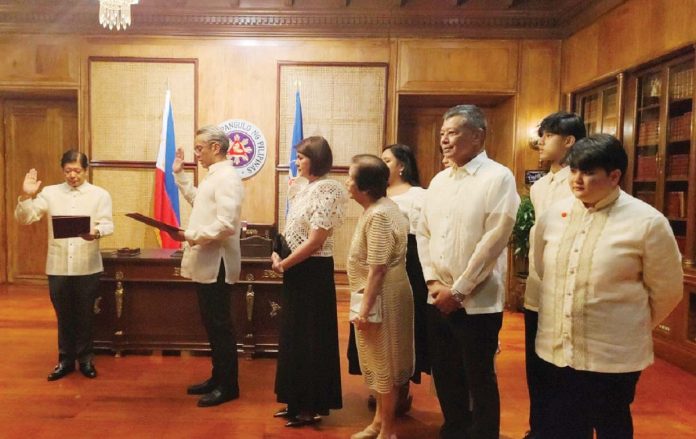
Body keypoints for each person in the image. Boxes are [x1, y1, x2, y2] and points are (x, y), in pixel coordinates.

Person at [533, 134, 683, 439]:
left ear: (614, 176)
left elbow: (667, 290)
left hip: (612, 355)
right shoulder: (553, 216)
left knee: (611, 424)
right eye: (574, 170)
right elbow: (542, 269)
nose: (577, 180)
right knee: (564, 426)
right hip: (557, 349)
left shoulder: (646, 222)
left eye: (588, 172)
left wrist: (630, 325)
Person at [416, 104, 520, 439]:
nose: (444, 140)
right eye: (442, 134)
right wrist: (433, 281)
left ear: (477, 136)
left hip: (476, 303)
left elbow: (495, 239)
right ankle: (454, 429)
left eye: (453, 133)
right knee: (445, 375)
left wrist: (458, 290)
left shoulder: (498, 177)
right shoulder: (439, 180)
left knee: (479, 377)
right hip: (438, 297)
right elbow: (423, 233)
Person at [15, 149, 113, 381]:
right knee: (63, 315)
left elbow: (108, 224)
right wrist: (27, 196)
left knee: (85, 314)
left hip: (87, 265)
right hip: (58, 266)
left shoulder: (99, 195)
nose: (72, 175)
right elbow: (25, 218)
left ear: (86, 170)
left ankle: (86, 359)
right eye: (68, 171)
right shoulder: (50, 193)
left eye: (77, 171)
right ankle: (65, 360)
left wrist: (96, 231)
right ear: (63, 170)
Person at [347, 143, 430, 415]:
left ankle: (387, 427)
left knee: (386, 359)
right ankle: (381, 422)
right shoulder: (381, 206)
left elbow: (378, 268)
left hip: (384, 293)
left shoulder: (381, 213)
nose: (346, 182)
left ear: (365, 185)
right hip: (379, 290)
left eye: (351, 177)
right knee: (381, 358)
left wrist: (365, 308)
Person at [271, 136, 347, 427]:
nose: (297, 161)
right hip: (296, 270)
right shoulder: (304, 188)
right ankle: (294, 400)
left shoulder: (328, 188)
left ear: (316, 159)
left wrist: (286, 264)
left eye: (301, 156)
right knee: (294, 337)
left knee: (311, 338)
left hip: (312, 272)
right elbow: (292, 229)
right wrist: (278, 254)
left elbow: (316, 240)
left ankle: (311, 405)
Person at [170, 125, 244, 407]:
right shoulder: (215, 176)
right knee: (212, 325)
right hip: (208, 260)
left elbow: (226, 225)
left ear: (216, 147)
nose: (196, 153)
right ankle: (217, 377)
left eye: (199, 148)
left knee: (220, 326)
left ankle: (229, 386)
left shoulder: (227, 178)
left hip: (219, 264)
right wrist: (179, 175)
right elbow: (197, 200)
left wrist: (190, 236)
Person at [522, 111, 586, 439]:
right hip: (537, 287)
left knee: (564, 369)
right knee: (536, 366)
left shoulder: (579, 182)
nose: (540, 142)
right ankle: (539, 428)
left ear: (569, 141)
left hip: (566, 289)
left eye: (548, 136)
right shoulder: (541, 185)